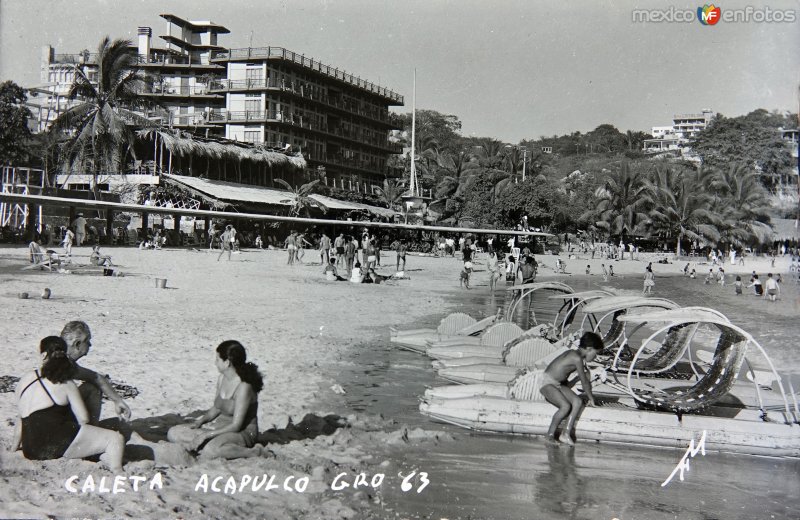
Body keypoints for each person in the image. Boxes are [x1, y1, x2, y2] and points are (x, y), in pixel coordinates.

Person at [12, 336, 125, 470]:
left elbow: (20, 421)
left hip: (30, 450)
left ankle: (95, 453)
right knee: (115, 439)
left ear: (43, 355)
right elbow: (83, 418)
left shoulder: (24, 380)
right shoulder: (65, 383)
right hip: (57, 445)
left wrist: (14, 448)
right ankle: (118, 472)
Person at [168, 341, 264, 459]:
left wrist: (206, 435)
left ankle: (254, 452)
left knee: (211, 451)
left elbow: (236, 425)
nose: (215, 363)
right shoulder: (222, 378)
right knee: (174, 433)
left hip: (242, 433)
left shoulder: (244, 387)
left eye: (217, 360)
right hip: (220, 428)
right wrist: (200, 422)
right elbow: (217, 408)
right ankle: (214, 444)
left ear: (227, 362)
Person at [58, 321, 131, 424]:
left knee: (91, 387)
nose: (90, 344)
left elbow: (97, 377)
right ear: (77, 344)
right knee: (93, 388)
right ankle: (91, 430)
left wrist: (117, 400)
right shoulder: (64, 363)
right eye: (87, 341)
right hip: (55, 421)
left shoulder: (59, 356)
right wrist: (117, 400)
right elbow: (96, 377)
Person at [540, 331, 603, 445]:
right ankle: (549, 435)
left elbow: (578, 379)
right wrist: (591, 398)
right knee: (565, 406)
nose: (595, 357)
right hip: (547, 384)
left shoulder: (575, 354)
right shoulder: (576, 358)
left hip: (558, 384)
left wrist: (581, 378)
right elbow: (585, 382)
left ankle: (566, 433)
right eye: (596, 353)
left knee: (577, 401)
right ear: (589, 349)